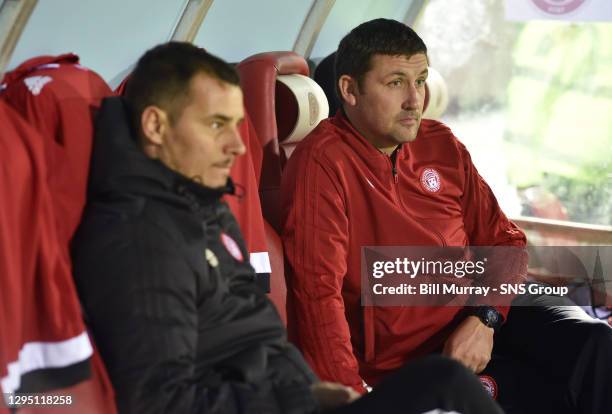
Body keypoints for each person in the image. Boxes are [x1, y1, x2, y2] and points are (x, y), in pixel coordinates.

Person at [71, 41, 503, 414]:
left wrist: (315, 393)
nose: (238, 145)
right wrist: (295, 399)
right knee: (446, 384)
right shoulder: (139, 238)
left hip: (302, 398)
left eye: (236, 124)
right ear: (155, 126)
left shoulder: (207, 208)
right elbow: (162, 402)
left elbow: (253, 335)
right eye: (216, 125)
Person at [281, 18, 612, 414]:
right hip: (417, 350)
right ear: (349, 90)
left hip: (488, 307)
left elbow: (504, 240)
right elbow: (318, 296)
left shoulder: (440, 142)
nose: (414, 100)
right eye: (395, 83)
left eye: (420, 80)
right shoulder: (323, 163)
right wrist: (352, 403)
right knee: (540, 394)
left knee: (596, 344)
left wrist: (484, 318)